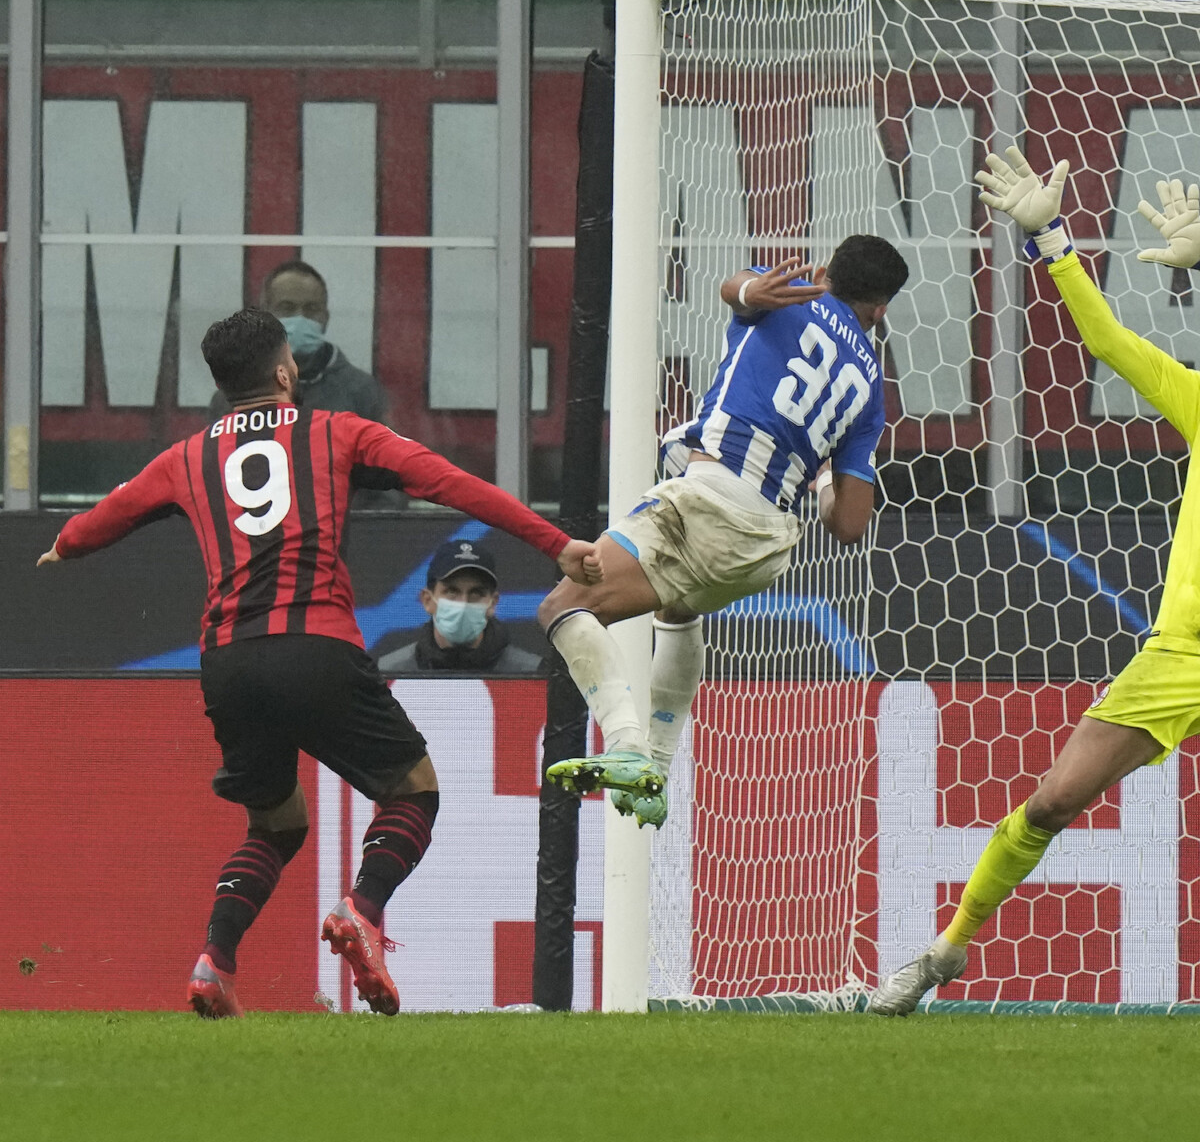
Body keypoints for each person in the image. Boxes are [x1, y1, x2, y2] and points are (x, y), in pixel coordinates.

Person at [865, 151, 1200, 1017]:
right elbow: (1109, 341)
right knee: (1051, 802)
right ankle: (942, 954)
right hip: (1179, 657)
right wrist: (1051, 238)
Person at [38, 308, 596, 1019]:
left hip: (229, 662)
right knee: (413, 791)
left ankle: (214, 961)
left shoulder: (185, 458)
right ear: (283, 372)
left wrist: (65, 544)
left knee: (276, 825)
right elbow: (451, 484)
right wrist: (554, 542)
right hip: (316, 645)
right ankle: (362, 910)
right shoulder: (337, 432)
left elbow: (104, 518)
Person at [537, 237, 908, 829]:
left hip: (714, 497)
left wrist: (749, 290)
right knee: (679, 612)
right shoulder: (870, 397)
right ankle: (657, 764)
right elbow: (849, 524)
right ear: (881, 309)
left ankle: (628, 746)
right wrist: (818, 479)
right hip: (766, 544)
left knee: (564, 604)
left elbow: (734, 288)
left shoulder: (789, 296)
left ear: (829, 269)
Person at [207, 260, 391, 425]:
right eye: (287, 308)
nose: (300, 318)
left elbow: (385, 460)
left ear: (325, 318)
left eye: (311, 309)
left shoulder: (362, 393)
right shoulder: (234, 394)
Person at [377, 538, 544, 674]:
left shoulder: (530, 672)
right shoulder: (391, 672)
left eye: (476, 593)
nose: (463, 603)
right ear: (427, 600)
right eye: (451, 592)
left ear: (492, 603)